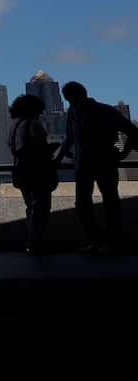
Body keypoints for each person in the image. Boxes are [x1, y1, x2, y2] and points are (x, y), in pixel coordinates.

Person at [54, 81, 138, 255]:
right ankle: (99, 240)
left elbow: (131, 131)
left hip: (103, 163)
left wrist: (123, 153)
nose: (71, 102)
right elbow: (69, 138)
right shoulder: (74, 112)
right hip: (85, 164)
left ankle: (111, 241)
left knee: (109, 201)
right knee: (87, 203)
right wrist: (59, 158)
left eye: (70, 98)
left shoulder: (106, 111)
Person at [8, 94, 59, 255]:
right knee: (41, 207)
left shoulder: (13, 125)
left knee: (31, 207)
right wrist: (55, 147)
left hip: (20, 170)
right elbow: (39, 148)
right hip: (37, 171)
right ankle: (37, 242)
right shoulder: (34, 124)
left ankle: (32, 242)